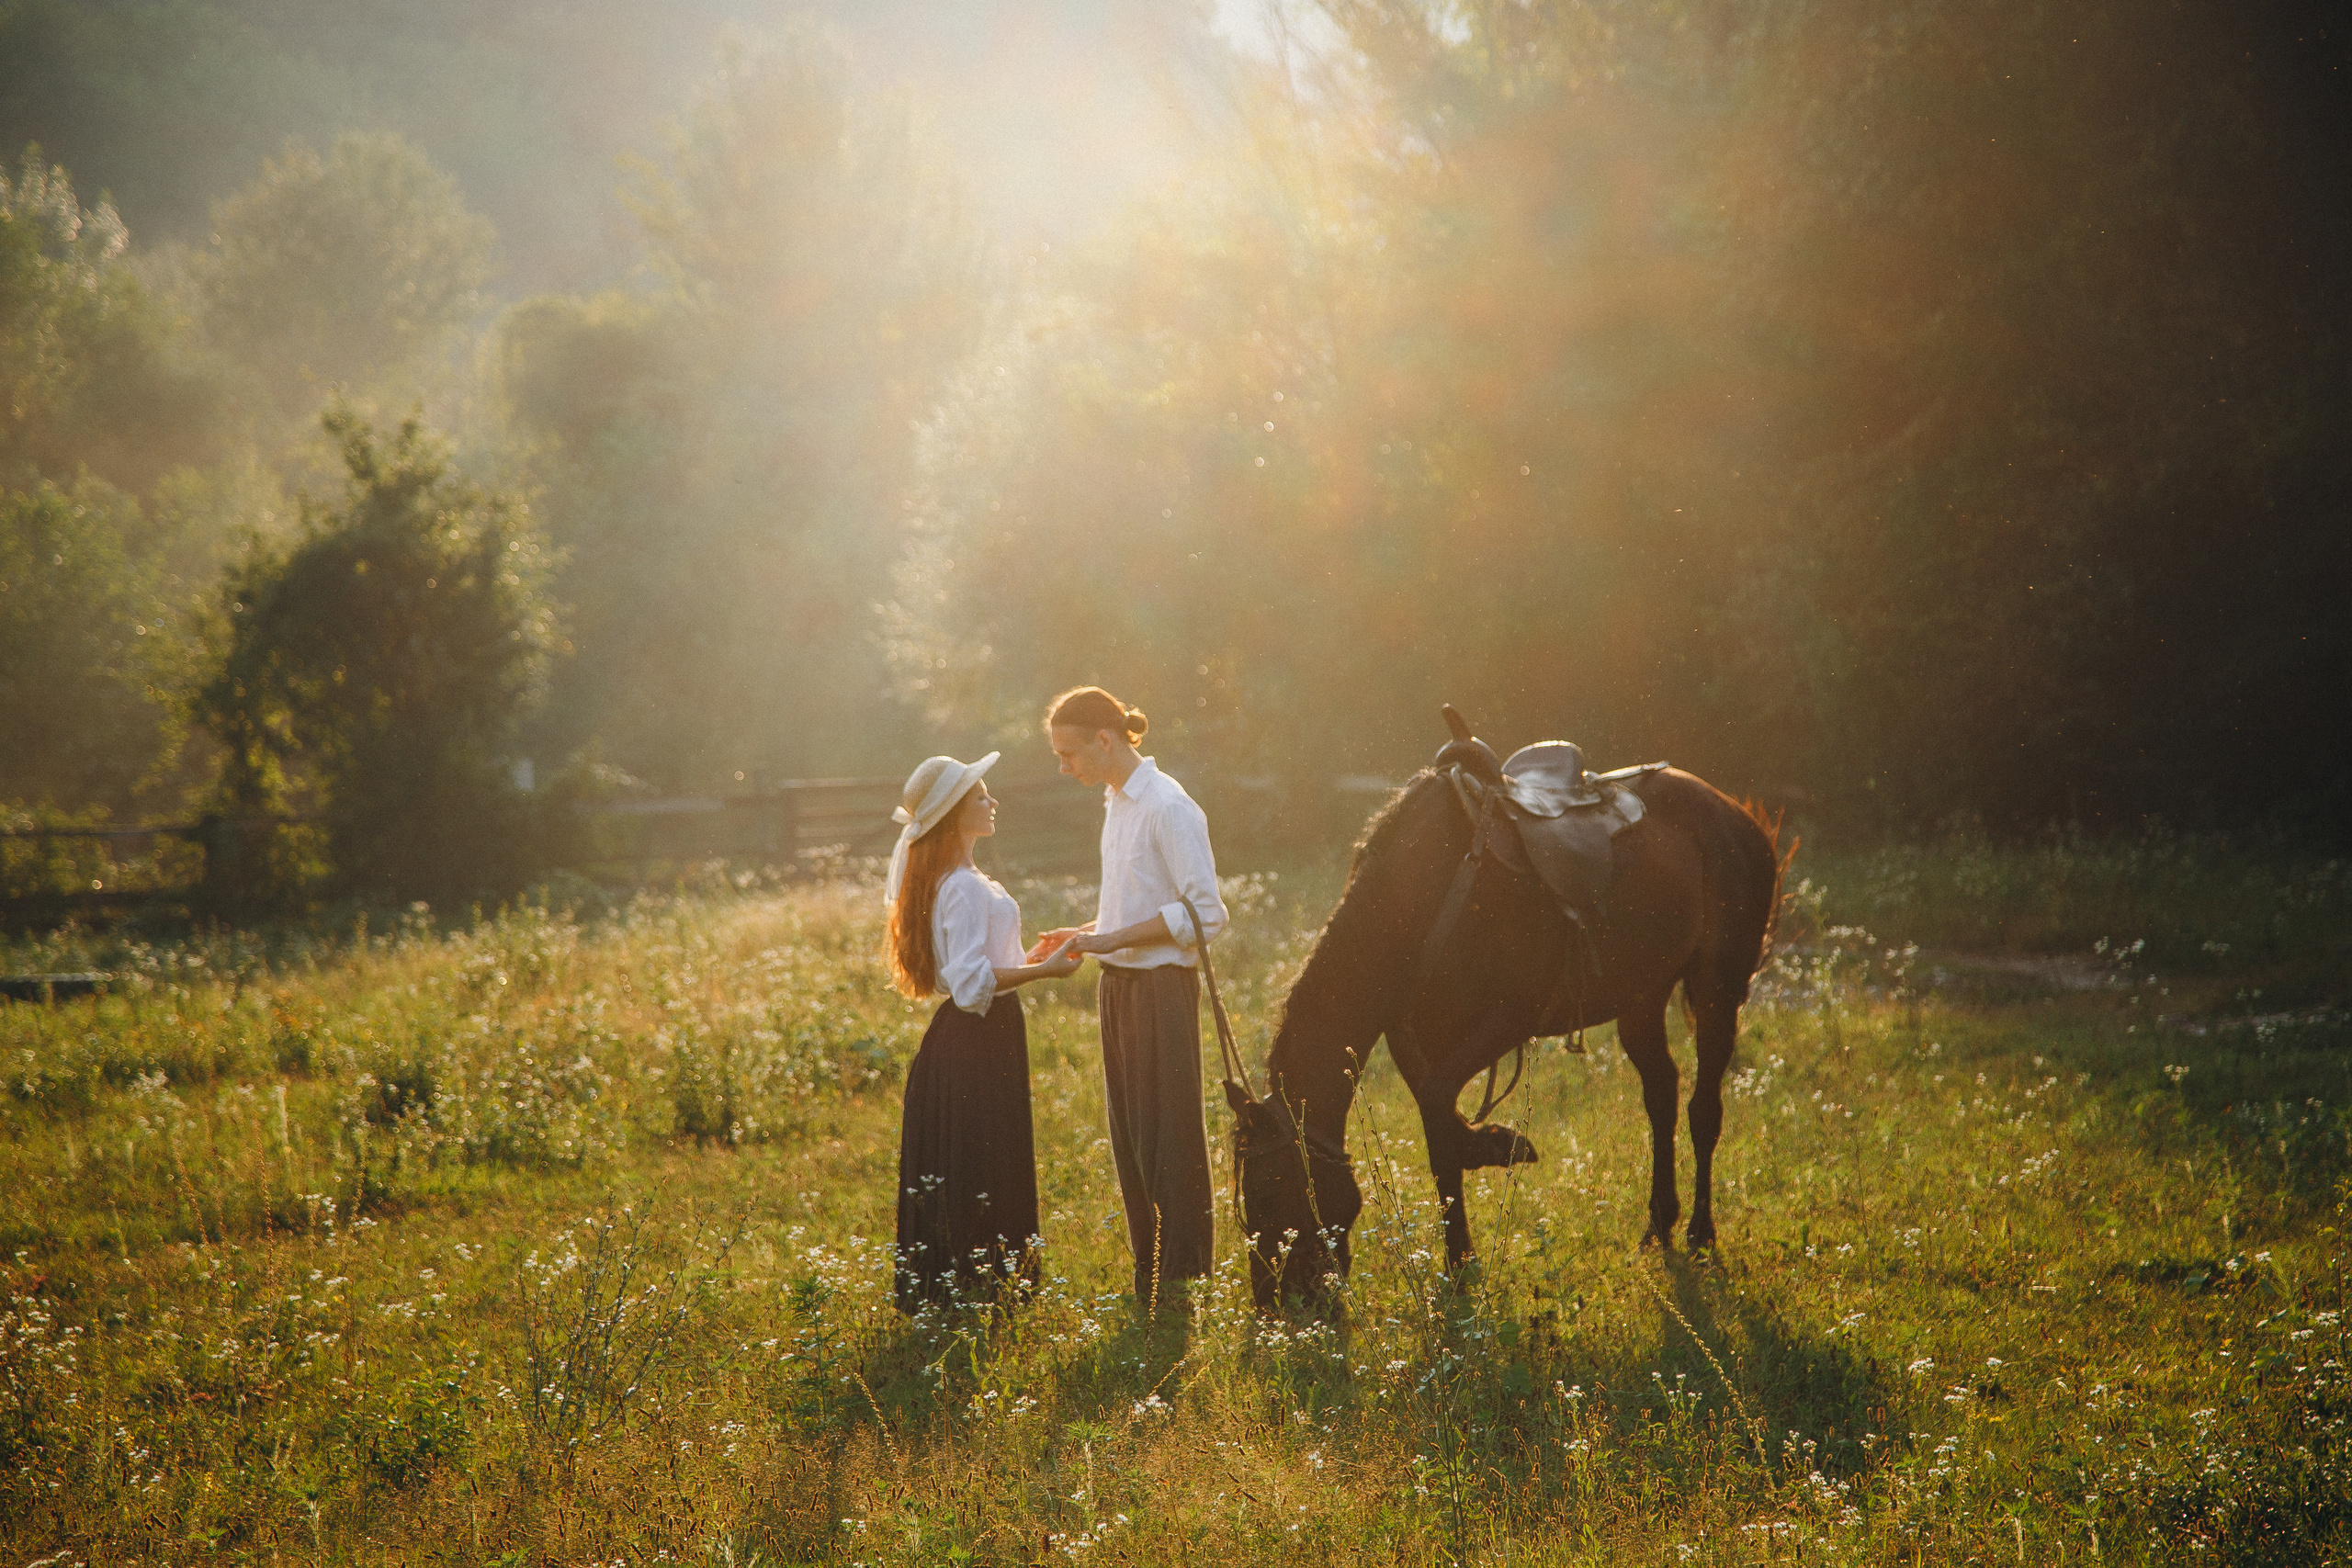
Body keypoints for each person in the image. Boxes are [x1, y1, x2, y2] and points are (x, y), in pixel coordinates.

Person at [1032, 686, 1229, 1310]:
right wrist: (1087, 932)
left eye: (1069, 753)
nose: (1065, 767)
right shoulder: (1116, 802)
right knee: (1130, 1132)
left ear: (1105, 739)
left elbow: (1206, 913)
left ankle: (1185, 1274)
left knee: (1169, 1129)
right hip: (1117, 985)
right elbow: (1133, 900)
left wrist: (1115, 936)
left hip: (1162, 988)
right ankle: (1151, 1267)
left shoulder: (1169, 806)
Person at [885, 750, 1081, 1314]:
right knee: (978, 1157)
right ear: (953, 815)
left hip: (983, 1033)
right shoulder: (963, 886)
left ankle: (981, 1285)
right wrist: (1045, 971)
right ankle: (977, 1288)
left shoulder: (965, 880)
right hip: (975, 1036)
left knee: (982, 1155)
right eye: (980, 796)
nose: (993, 801)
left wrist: (1029, 957)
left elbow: (986, 965)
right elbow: (971, 985)